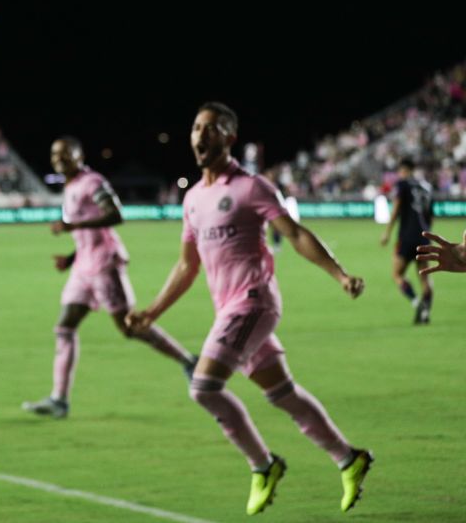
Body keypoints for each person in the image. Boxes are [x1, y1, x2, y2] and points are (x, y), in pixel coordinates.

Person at [127, 102, 372, 515]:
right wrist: (152, 312)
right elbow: (188, 266)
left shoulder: (251, 187)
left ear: (230, 137)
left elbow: (294, 234)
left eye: (212, 128)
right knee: (282, 394)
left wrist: (339, 274)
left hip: (253, 303)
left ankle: (264, 465)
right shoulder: (193, 199)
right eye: (196, 127)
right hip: (228, 308)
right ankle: (349, 459)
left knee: (204, 387)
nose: (201, 135)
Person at [22, 137, 196, 420]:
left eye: (66, 154)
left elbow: (116, 215)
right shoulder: (69, 187)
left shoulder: (92, 182)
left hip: (105, 264)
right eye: (55, 155)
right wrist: (70, 257)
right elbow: (84, 236)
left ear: (79, 155)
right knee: (64, 327)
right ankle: (59, 399)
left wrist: (72, 225)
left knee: (128, 327)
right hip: (83, 266)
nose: (60, 159)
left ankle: (189, 361)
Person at [379, 157, 435, 323]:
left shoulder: (402, 185)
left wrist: (387, 232)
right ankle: (425, 313)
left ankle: (416, 302)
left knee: (397, 274)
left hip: (406, 237)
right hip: (424, 238)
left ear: (403, 170)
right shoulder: (426, 187)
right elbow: (430, 216)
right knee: (425, 277)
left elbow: (396, 208)